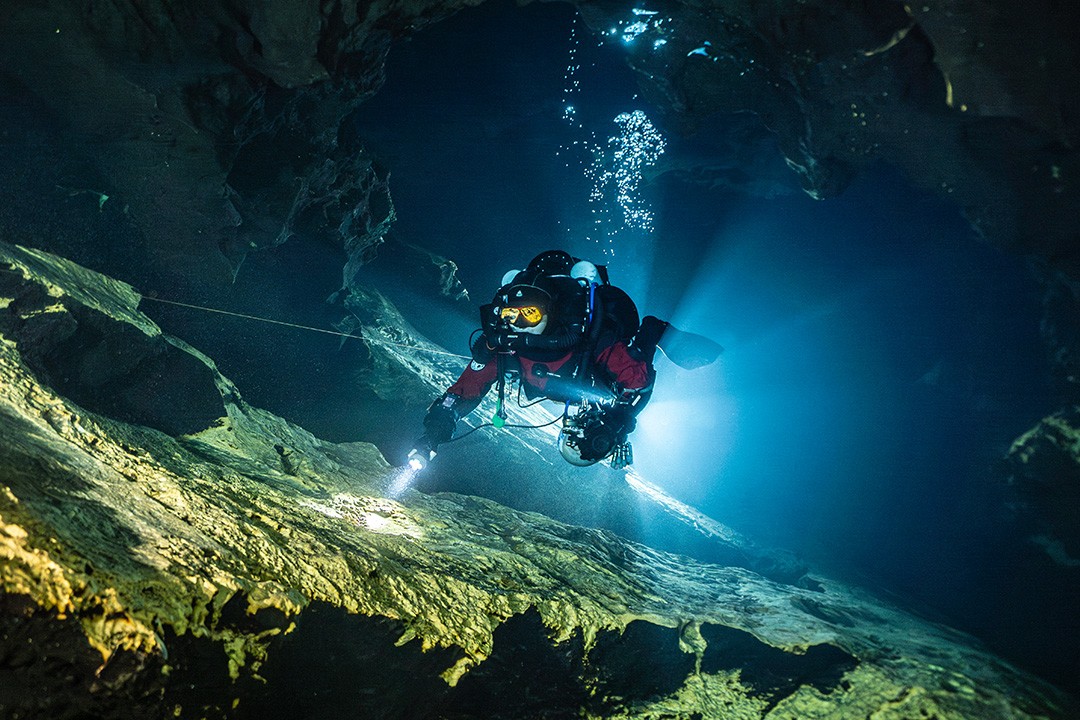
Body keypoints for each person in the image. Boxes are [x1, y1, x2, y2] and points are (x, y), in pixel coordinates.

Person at [408, 250, 718, 469]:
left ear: (552, 314)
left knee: (625, 388)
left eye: (530, 315)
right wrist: (436, 428)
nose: (518, 324)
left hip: (587, 371)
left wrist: (617, 422)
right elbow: (465, 389)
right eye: (511, 315)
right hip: (564, 382)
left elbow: (638, 384)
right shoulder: (502, 346)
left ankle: (653, 332)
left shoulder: (593, 340)